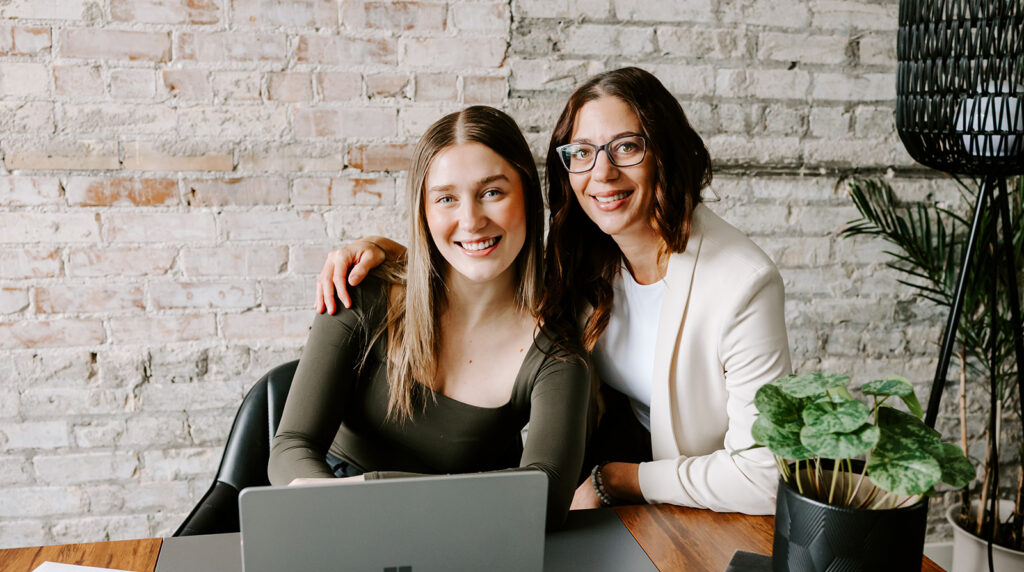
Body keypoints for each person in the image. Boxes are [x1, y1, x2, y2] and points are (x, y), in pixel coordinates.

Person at [315, 67, 791, 516]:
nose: (602, 173)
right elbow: (480, 254)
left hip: (695, 493)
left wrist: (618, 480)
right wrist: (384, 251)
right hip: (603, 469)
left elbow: (764, 476)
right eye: (582, 152)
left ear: (666, 150)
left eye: (626, 147)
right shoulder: (586, 254)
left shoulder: (742, 285)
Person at [270, 105, 590, 528]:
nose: (471, 220)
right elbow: (292, 445)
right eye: (446, 199)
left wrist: (379, 498)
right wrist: (345, 506)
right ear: (424, 211)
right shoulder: (364, 291)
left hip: (466, 530)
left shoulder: (557, 357)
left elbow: (543, 497)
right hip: (329, 511)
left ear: (529, 197)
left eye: (492, 192)